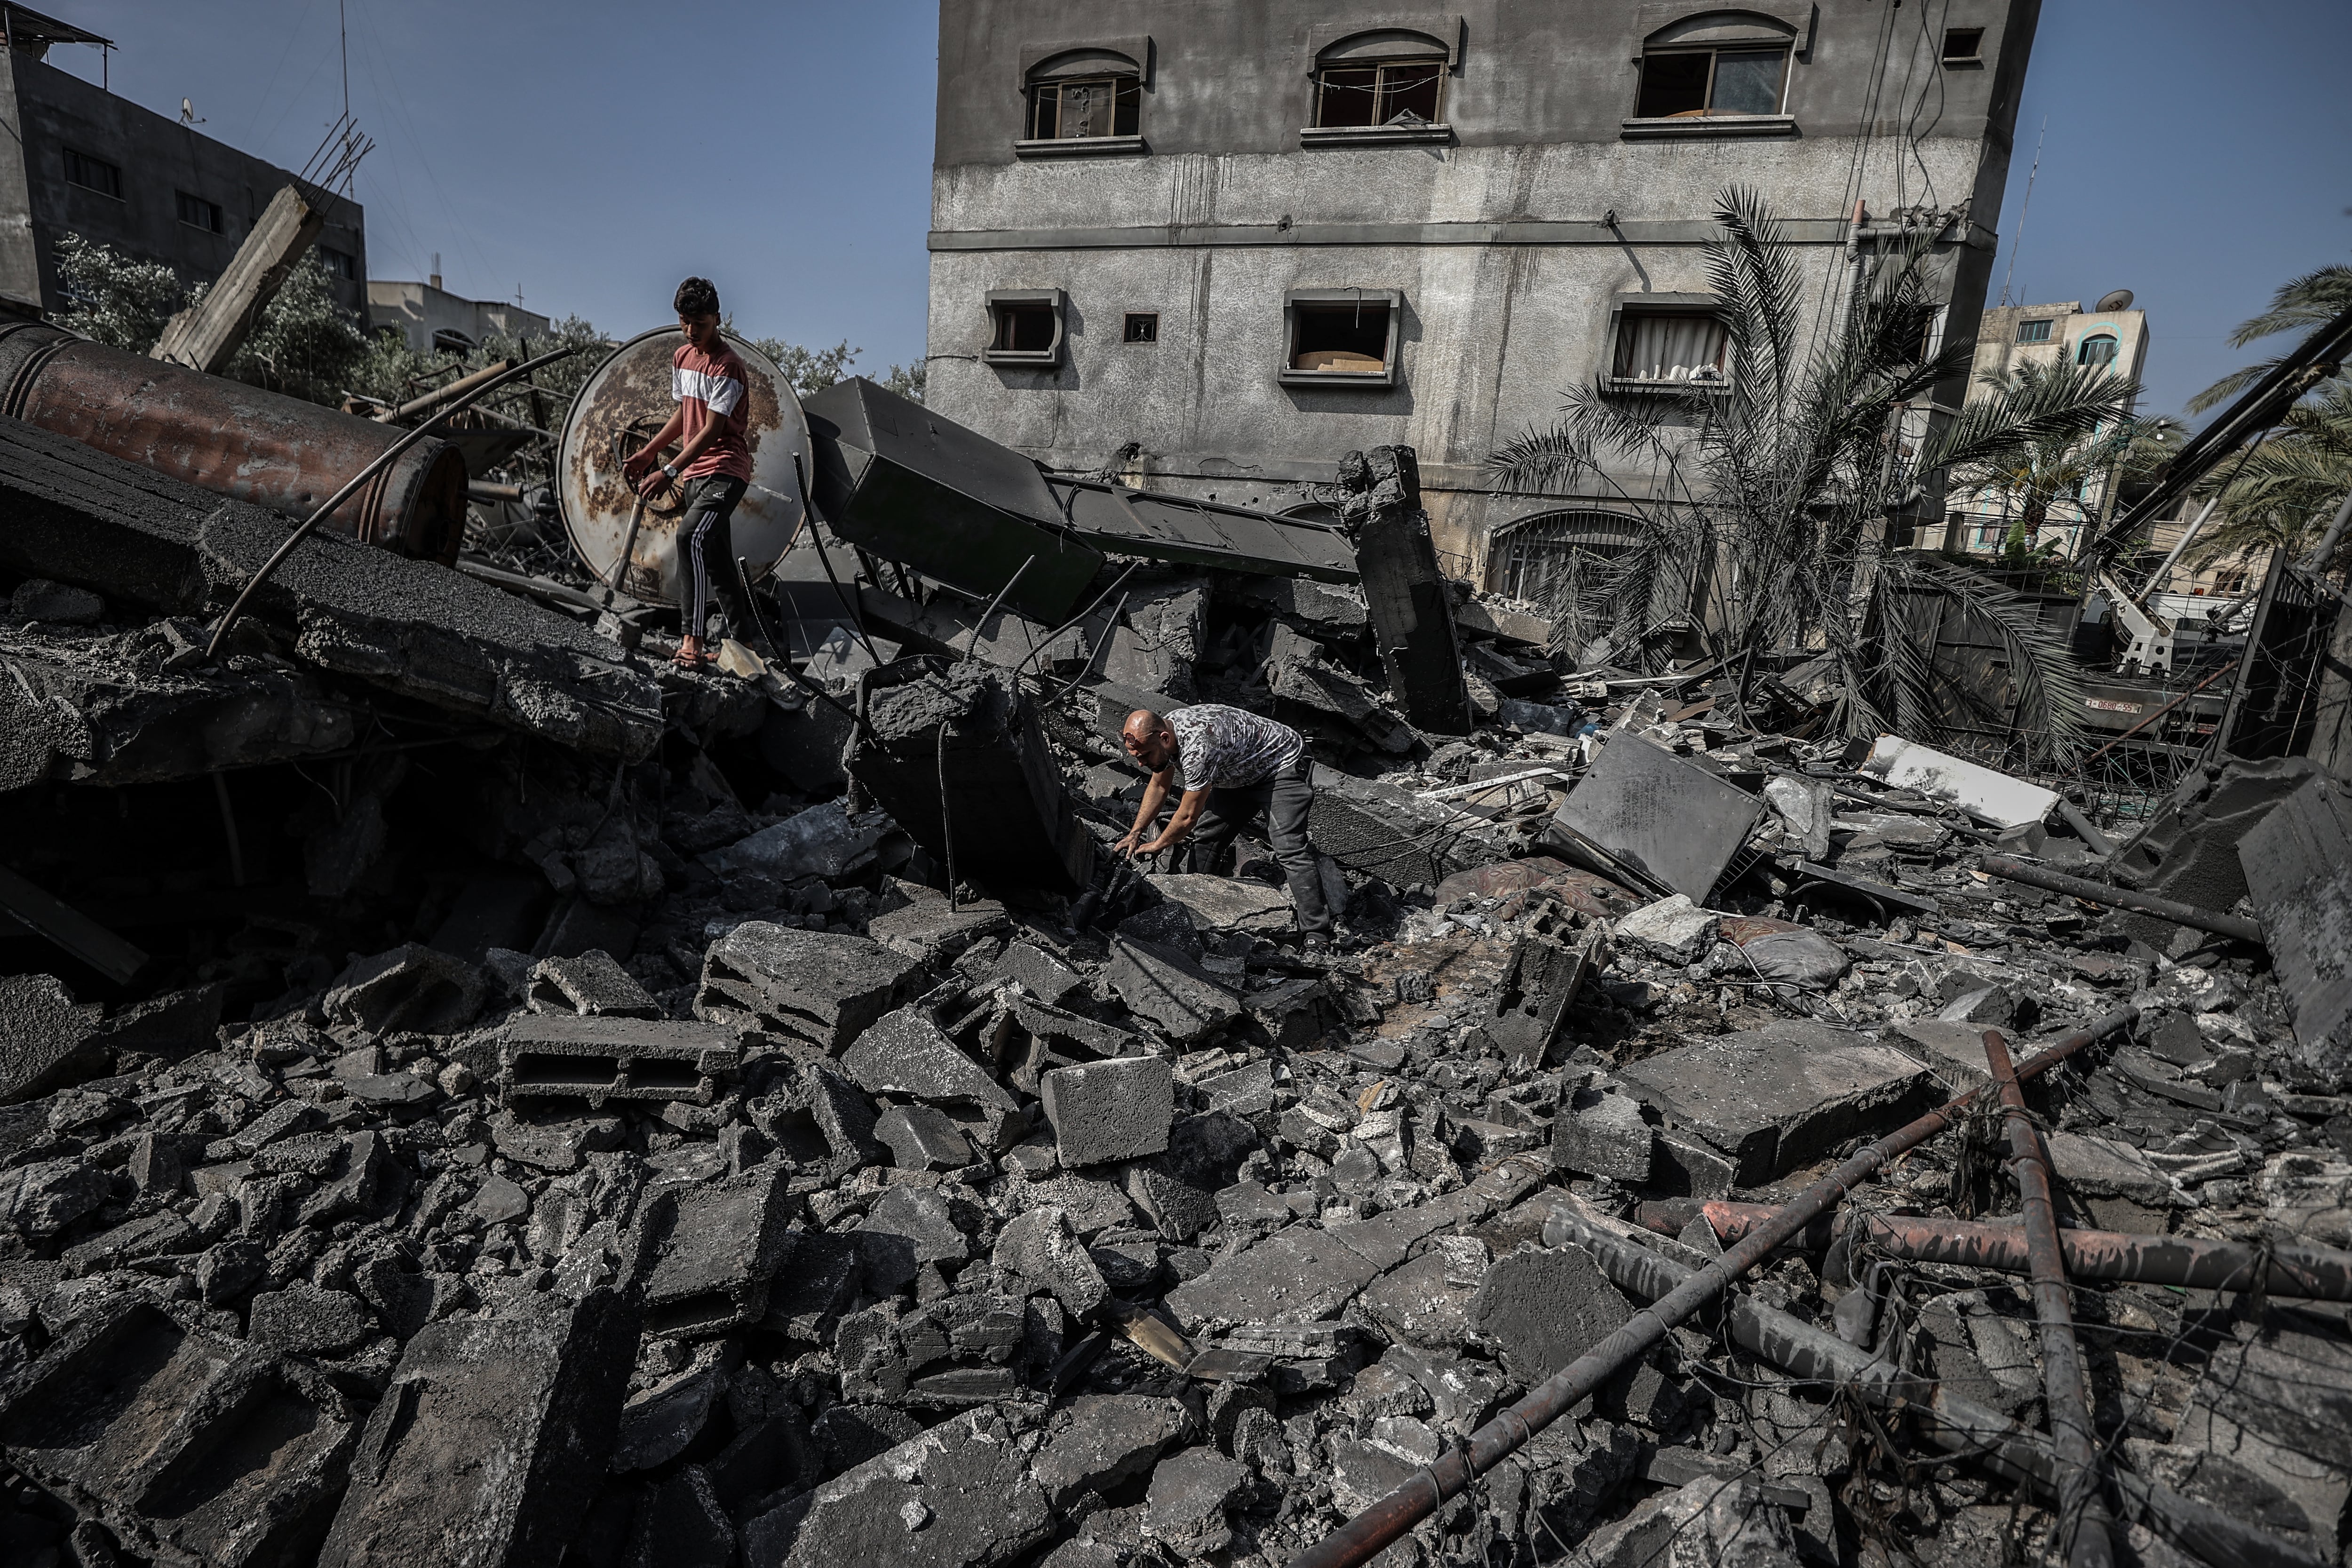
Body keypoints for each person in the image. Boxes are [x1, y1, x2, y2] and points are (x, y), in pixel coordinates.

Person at [1115, 704, 1333, 948]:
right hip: (1238, 771)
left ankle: (1318, 935)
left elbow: (1187, 817)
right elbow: (1158, 787)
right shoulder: (1165, 732)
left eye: (1145, 756)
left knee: (1289, 849)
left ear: (1164, 738)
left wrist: (1158, 844)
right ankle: (1195, 911)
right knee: (1208, 836)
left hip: (1281, 766)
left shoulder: (1199, 747)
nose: (1142, 764)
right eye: (1138, 757)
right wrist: (1135, 833)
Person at [622, 276, 756, 669]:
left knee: (689, 538)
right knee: (716, 558)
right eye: (685, 322)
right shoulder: (683, 357)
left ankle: (692, 643)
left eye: (699, 323)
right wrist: (649, 451)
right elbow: (684, 415)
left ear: (717, 318)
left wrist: (668, 469)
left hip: (726, 470)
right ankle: (746, 646)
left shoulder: (728, 366)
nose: (691, 331)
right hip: (696, 472)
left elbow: (713, 429)